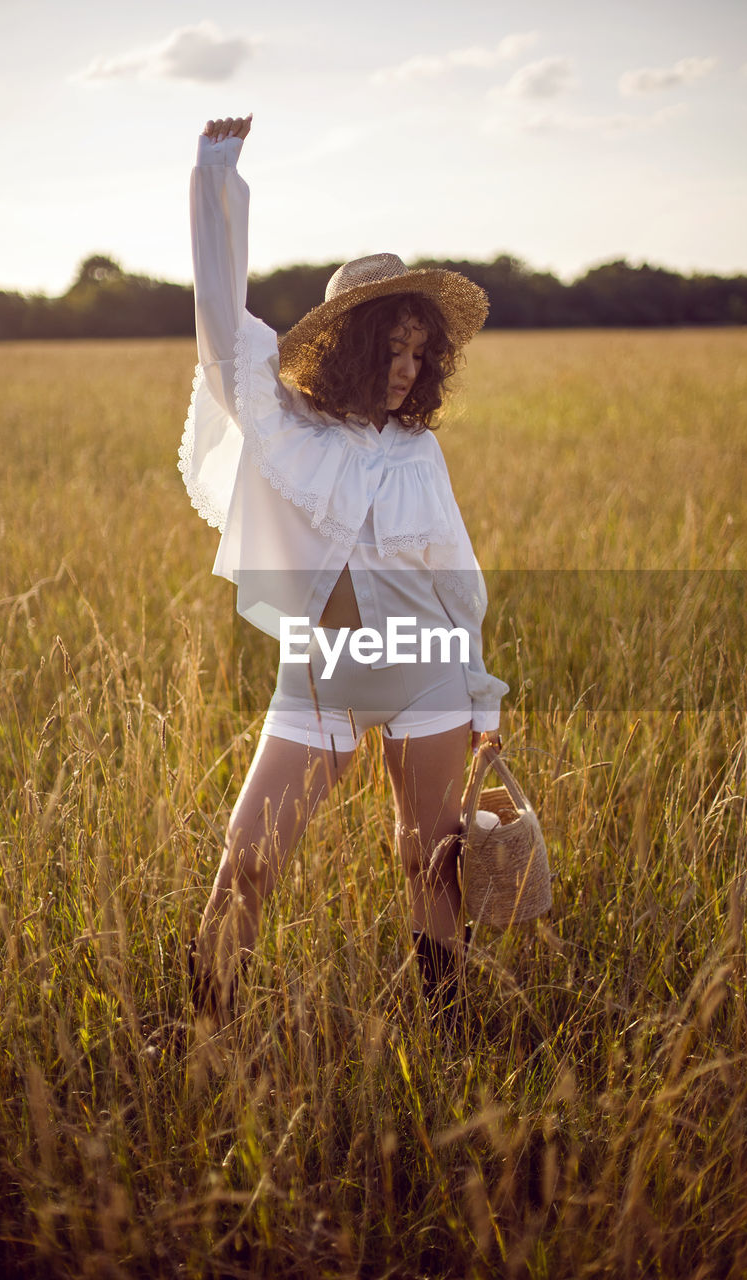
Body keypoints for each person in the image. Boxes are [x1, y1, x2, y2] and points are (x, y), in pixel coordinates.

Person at [178, 113, 508, 1029]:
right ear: (348, 345)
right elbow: (217, 327)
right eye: (390, 349)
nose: (407, 370)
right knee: (249, 859)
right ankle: (201, 1035)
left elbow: (456, 579)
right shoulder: (283, 425)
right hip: (319, 676)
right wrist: (216, 176)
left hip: (428, 667)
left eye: (419, 352)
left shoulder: (416, 452)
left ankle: (448, 1032)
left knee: (430, 857)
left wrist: (480, 695)